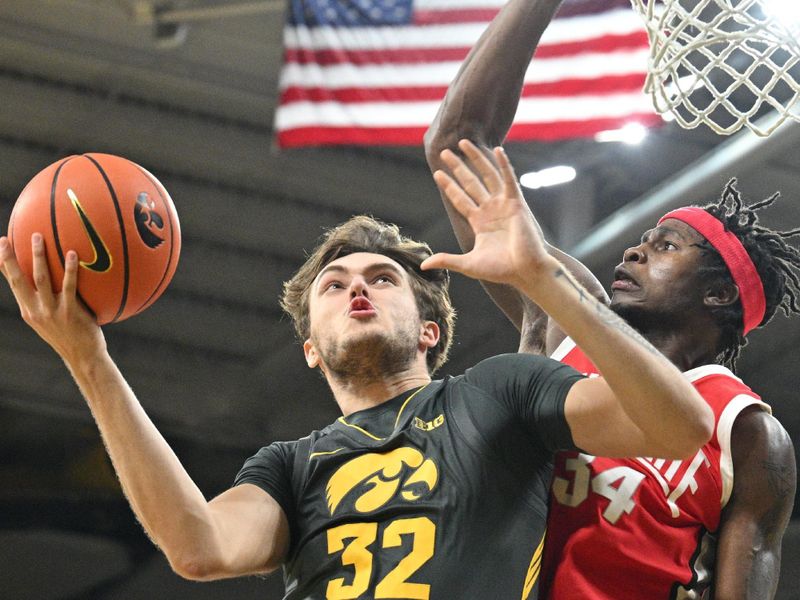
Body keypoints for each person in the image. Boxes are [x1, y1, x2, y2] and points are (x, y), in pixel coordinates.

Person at [0, 175, 711, 597]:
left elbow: (681, 427)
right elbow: (199, 547)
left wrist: (538, 277)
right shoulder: (287, 466)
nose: (356, 290)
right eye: (334, 287)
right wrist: (89, 360)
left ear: (431, 330)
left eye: (381, 279)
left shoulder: (496, 392)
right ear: (311, 349)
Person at [424, 0, 799, 597]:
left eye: (664, 246)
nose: (631, 254)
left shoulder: (746, 431)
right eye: (640, 242)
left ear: (719, 291)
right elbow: (455, 139)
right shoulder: (563, 316)